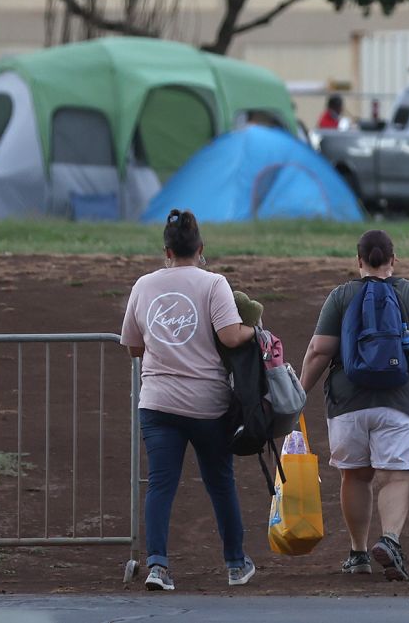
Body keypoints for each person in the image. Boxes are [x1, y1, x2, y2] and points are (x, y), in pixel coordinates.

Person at [299, 229, 409, 581]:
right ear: (394, 260)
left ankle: (358, 553)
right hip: (401, 402)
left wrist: (298, 394)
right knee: (395, 476)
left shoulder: (341, 297)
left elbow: (318, 351)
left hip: (348, 403)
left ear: (359, 261)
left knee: (355, 475)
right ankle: (389, 540)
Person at [119, 209, 259, 592]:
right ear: (201, 249)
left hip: (158, 402)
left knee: (161, 485)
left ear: (166, 251)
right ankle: (235, 563)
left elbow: (132, 345)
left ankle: (158, 566)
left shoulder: (143, 285)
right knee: (220, 483)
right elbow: (231, 336)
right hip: (207, 405)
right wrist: (254, 330)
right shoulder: (214, 284)